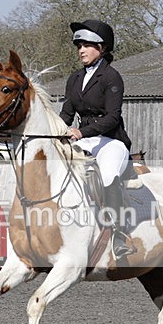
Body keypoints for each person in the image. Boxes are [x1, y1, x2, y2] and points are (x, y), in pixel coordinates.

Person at [59, 19, 135, 258]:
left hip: (110, 141)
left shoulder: (111, 77)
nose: (81, 50)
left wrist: (81, 132)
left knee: (109, 174)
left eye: (86, 45)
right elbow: (67, 114)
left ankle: (119, 234)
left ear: (101, 48)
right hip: (84, 141)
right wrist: (56, 132)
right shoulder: (74, 78)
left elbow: (113, 117)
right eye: (79, 46)